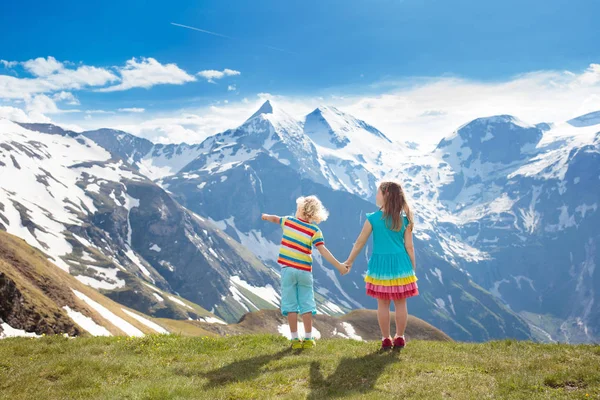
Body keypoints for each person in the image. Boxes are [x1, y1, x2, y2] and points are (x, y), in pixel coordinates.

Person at [262, 195, 348, 349]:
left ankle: (295, 339)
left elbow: (275, 219)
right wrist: (339, 265)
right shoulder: (315, 230)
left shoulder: (288, 221)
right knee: (307, 304)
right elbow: (323, 250)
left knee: (291, 305)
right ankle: (308, 338)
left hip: (288, 270)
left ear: (300, 209)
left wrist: (266, 216)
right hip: (304, 272)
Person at [345, 181, 418, 350]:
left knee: (383, 304)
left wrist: (349, 261)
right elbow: (410, 247)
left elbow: (359, 243)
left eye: (378, 192)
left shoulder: (373, 218)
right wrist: (412, 266)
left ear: (385, 195)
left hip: (380, 265)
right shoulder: (405, 220)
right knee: (401, 304)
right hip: (401, 264)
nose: (376, 195)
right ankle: (400, 337)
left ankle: (386, 338)